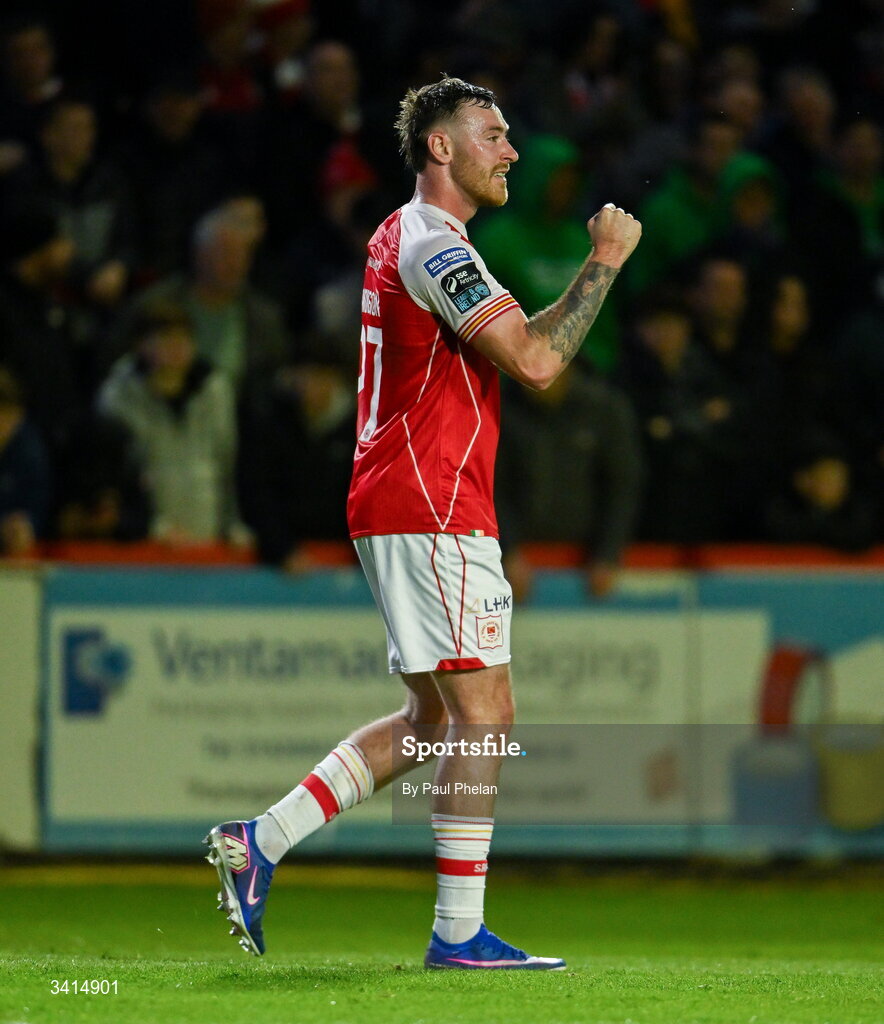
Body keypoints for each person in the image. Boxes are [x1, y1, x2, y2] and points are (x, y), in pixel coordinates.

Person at [205, 75, 640, 969]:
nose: (511, 149)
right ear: (440, 147)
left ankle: (262, 841)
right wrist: (604, 261)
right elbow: (537, 364)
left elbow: (526, 347)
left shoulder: (413, 239)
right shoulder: (436, 245)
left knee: (435, 719)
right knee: (485, 711)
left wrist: (572, 292)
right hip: (429, 498)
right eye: (492, 133)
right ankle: (458, 933)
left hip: (409, 496)